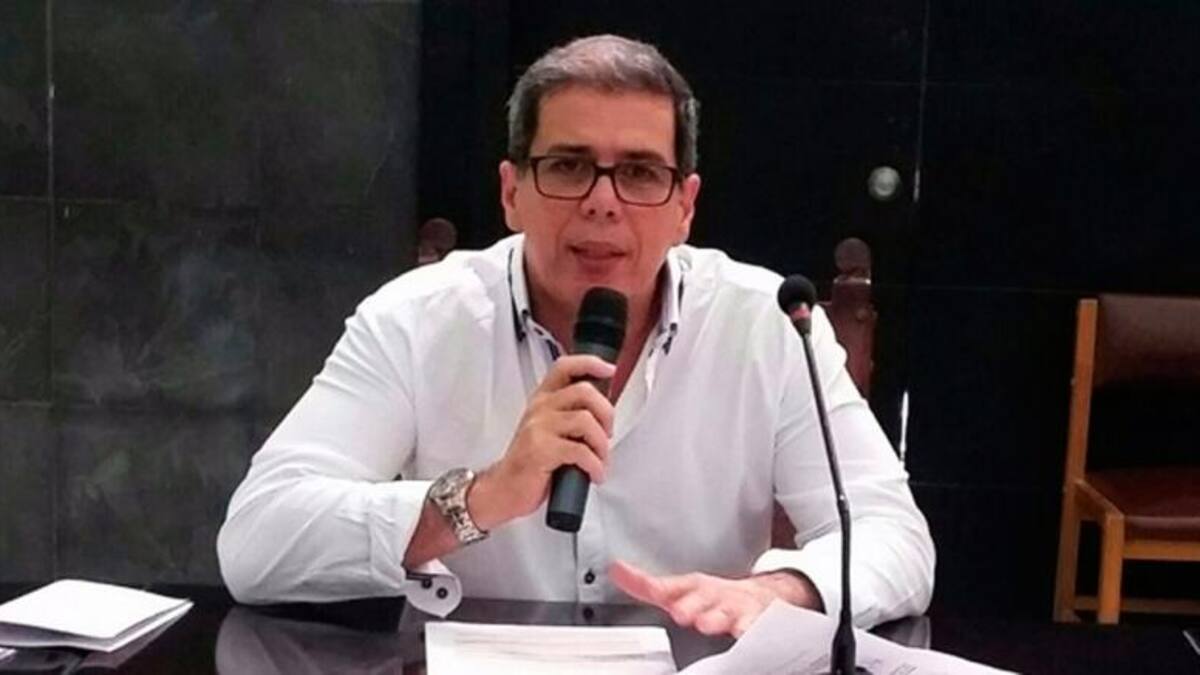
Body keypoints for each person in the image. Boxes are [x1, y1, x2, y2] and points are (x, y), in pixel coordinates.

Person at [218, 34, 934, 637]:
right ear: (511, 192)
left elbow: (895, 538)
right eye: (568, 166)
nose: (602, 203)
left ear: (685, 207)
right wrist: (479, 498)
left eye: (640, 173)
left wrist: (780, 593)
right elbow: (256, 542)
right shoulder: (415, 319)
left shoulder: (767, 325)